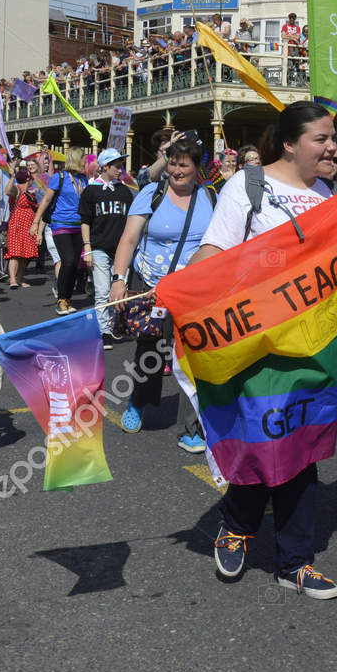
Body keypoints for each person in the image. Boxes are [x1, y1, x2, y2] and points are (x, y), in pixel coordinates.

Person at [189, 102, 337, 598]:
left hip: (312, 344)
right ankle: (237, 526)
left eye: (332, 137)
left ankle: (294, 561)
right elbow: (216, 249)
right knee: (261, 440)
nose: (332, 147)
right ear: (292, 143)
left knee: (302, 447)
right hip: (256, 342)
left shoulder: (326, 195)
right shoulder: (249, 185)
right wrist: (184, 294)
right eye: (321, 139)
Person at [111, 135, 213, 445]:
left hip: (191, 290)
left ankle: (192, 427)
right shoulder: (150, 194)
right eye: (172, 163)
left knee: (192, 354)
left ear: (198, 168)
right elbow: (128, 239)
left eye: (184, 165)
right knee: (150, 351)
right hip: (149, 286)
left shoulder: (210, 197)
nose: (176, 170)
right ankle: (139, 401)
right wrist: (118, 279)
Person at [80, 147, 134, 349]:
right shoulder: (91, 191)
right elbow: (85, 221)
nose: (121, 170)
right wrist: (87, 248)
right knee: (102, 291)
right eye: (117, 166)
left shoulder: (124, 191)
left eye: (121, 166)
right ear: (105, 167)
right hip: (99, 247)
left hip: (121, 249)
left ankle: (113, 324)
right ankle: (103, 331)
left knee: (118, 291)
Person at [32, 150, 87, 314]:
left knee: (75, 264)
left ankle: (67, 299)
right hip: (60, 225)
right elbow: (46, 200)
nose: (86, 161)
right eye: (84, 158)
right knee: (68, 260)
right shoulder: (59, 177)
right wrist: (36, 223)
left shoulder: (83, 179)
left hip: (79, 225)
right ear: (76, 159)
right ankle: (61, 299)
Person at [3, 158, 41, 289]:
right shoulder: (17, 189)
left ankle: (20, 278)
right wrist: (12, 176)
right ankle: (12, 279)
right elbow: (7, 191)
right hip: (17, 225)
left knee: (25, 254)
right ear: (28, 179)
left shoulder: (30, 193)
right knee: (15, 253)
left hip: (28, 226)